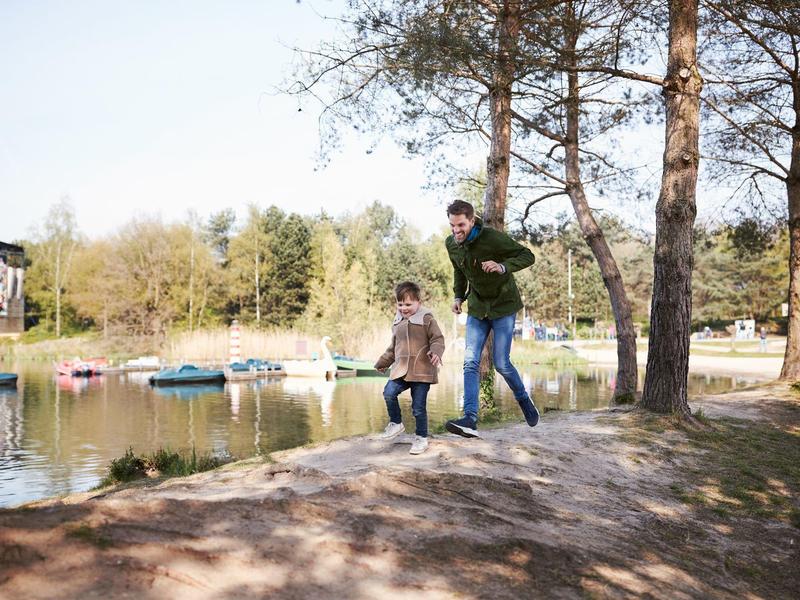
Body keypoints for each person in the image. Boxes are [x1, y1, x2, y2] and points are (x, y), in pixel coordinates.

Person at [443, 200, 539, 438]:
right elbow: (459, 270)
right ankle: (470, 418)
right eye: (452, 225)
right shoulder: (451, 244)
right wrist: (458, 296)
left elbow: (527, 256)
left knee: (501, 363)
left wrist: (502, 266)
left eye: (461, 225)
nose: (456, 230)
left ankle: (524, 400)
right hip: (477, 308)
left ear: (472, 221)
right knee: (470, 362)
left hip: (503, 306)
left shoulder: (492, 238)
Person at [374, 281, 445, 455]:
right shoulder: (397, 323)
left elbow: (437, 339)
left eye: (408, 304)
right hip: (401, 370)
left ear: (418, 303)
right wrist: (383, 362)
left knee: (418, 407)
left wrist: (436, 352)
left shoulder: (426, 319)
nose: (403, 308)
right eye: (400, 304)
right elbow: (393, 348)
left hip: (421, 372)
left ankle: (421, 438)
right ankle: (396, 423)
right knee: (389, 393)